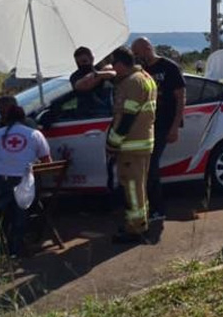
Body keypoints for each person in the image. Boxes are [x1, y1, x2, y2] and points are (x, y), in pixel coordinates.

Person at [0, 106, 52, 256]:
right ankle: (17, 247)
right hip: (26, 183)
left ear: (4, 119)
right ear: (24, 119)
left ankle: (1, 246)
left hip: (0, 182)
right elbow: (47, 163)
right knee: (22, 211)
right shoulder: (35, 134)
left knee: (2, 210)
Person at [106, 47, 158, 243]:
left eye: (114, 65)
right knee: (139, 187)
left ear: (120, 64)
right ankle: (139, 223)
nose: (114, 70)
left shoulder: (132, 82)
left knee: (132, 189)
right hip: (142, 142)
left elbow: (127, 117)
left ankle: (135, 229)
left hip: (131, 145)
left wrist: (113, 143)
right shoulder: (145, 77)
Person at [132, 37, 185, 222]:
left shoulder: (169, 67)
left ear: (147, 48)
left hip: (164, 124)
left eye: (138, 53)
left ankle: (158, 209)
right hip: (147, 125)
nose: (137, 57)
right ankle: (148, 205)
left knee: (151, 165)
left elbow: (180, 97)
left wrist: (175, 126)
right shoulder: (142, 71)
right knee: (146, 166)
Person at [70, 46, 115, 117]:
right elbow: (81, 86)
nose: (81, 65)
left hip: (104, 113)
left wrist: (97, 74)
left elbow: (112, 73)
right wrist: (97, 76)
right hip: (85, 114)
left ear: (91, 59)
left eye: (84, 61)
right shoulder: (75, 76)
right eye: (78, 63)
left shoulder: (99, 70)